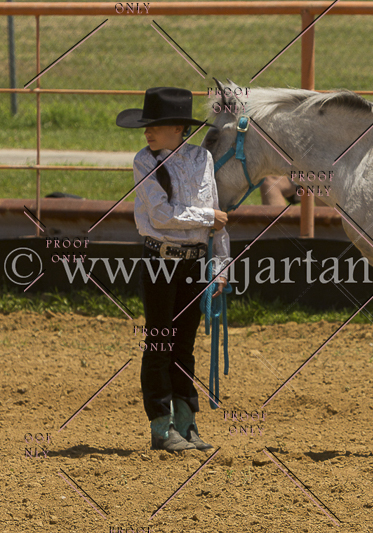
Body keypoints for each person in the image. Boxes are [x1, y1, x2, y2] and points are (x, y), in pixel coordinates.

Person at [116, 87, 230, 452]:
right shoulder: (144, 161)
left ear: (178, 128)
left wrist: (221, 266)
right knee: (160, 341)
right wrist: (207, 217)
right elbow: (163, 215)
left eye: (156, 125)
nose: (148, 132)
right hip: (160, 261)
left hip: (195, 262)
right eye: (147, 126)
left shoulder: (202, 158)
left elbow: (217, 216)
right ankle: (161, 426)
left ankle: (185, 421)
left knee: (184, 344)